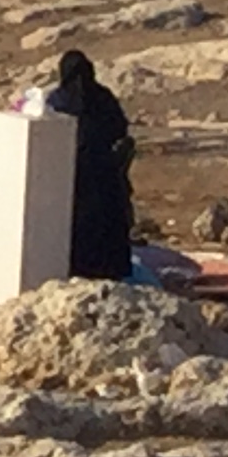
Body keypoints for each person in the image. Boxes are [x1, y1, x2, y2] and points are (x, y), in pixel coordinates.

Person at [52, 47, 136, 281]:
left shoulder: (59, 100)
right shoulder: (103, 97)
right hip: (105, 175)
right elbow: (120, 129)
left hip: (74, 177)